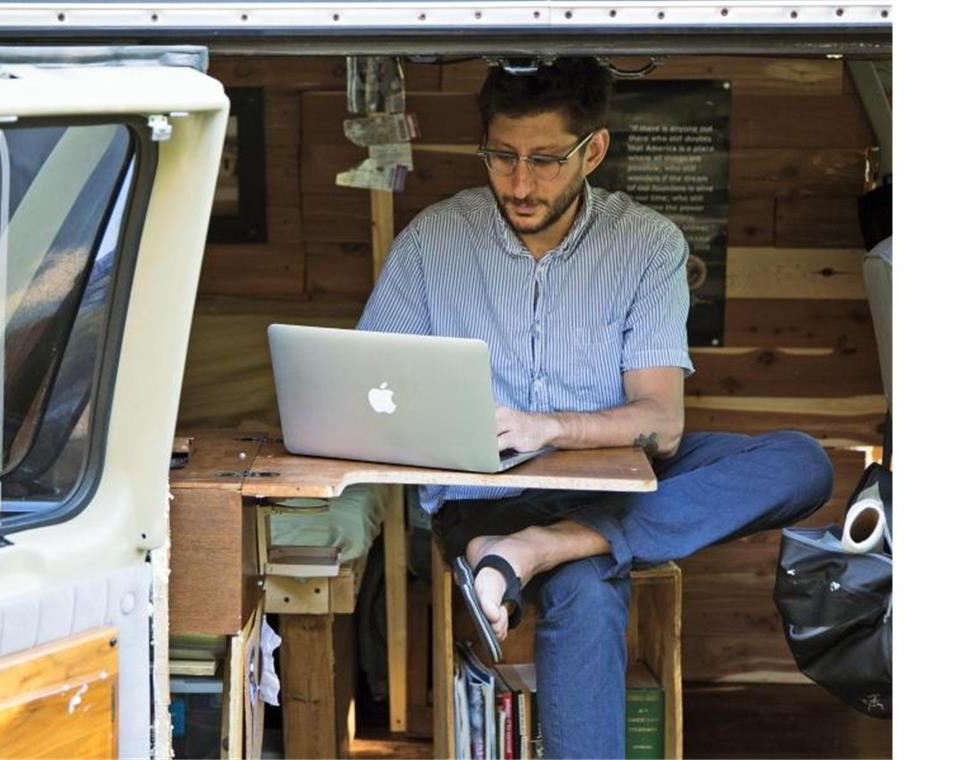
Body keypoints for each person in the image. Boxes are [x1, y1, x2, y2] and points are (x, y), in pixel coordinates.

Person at [356, 57, 835, 758]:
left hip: (620, 474)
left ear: (594, 151)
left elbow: (662, 424)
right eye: (503, 156)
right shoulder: (432, 240)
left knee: (804, 463)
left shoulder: (647, 243)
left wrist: (550, 426)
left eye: (547, 160)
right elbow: (371, 385)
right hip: (489, 494)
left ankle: (540, 549)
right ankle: (546, 545)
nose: (520, 183)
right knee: (586, 590)